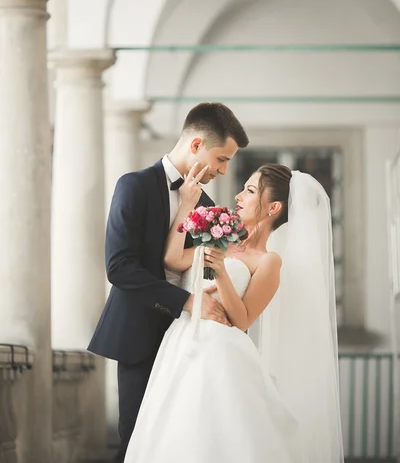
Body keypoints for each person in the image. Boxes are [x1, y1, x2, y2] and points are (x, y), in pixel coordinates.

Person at [124, 164, 344, 463]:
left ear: (273, 207)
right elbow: (172, 259)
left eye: (251, 190)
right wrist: (187, 205)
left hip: (221, 355)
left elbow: (242, 321)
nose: (239, 195)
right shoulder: (222, 240)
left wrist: (221, 273)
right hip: (180, 344)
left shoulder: (269, 261)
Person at [87, 102, 249, 463]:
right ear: (196, 146)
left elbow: (194, 265)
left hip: (193, 343)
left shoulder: (206, 204)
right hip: (140, 335)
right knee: (136, 441)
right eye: (221, 159)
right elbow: (119, 267)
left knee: (185, 443)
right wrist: (187, 303)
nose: (224, 171)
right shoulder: (134, 186)